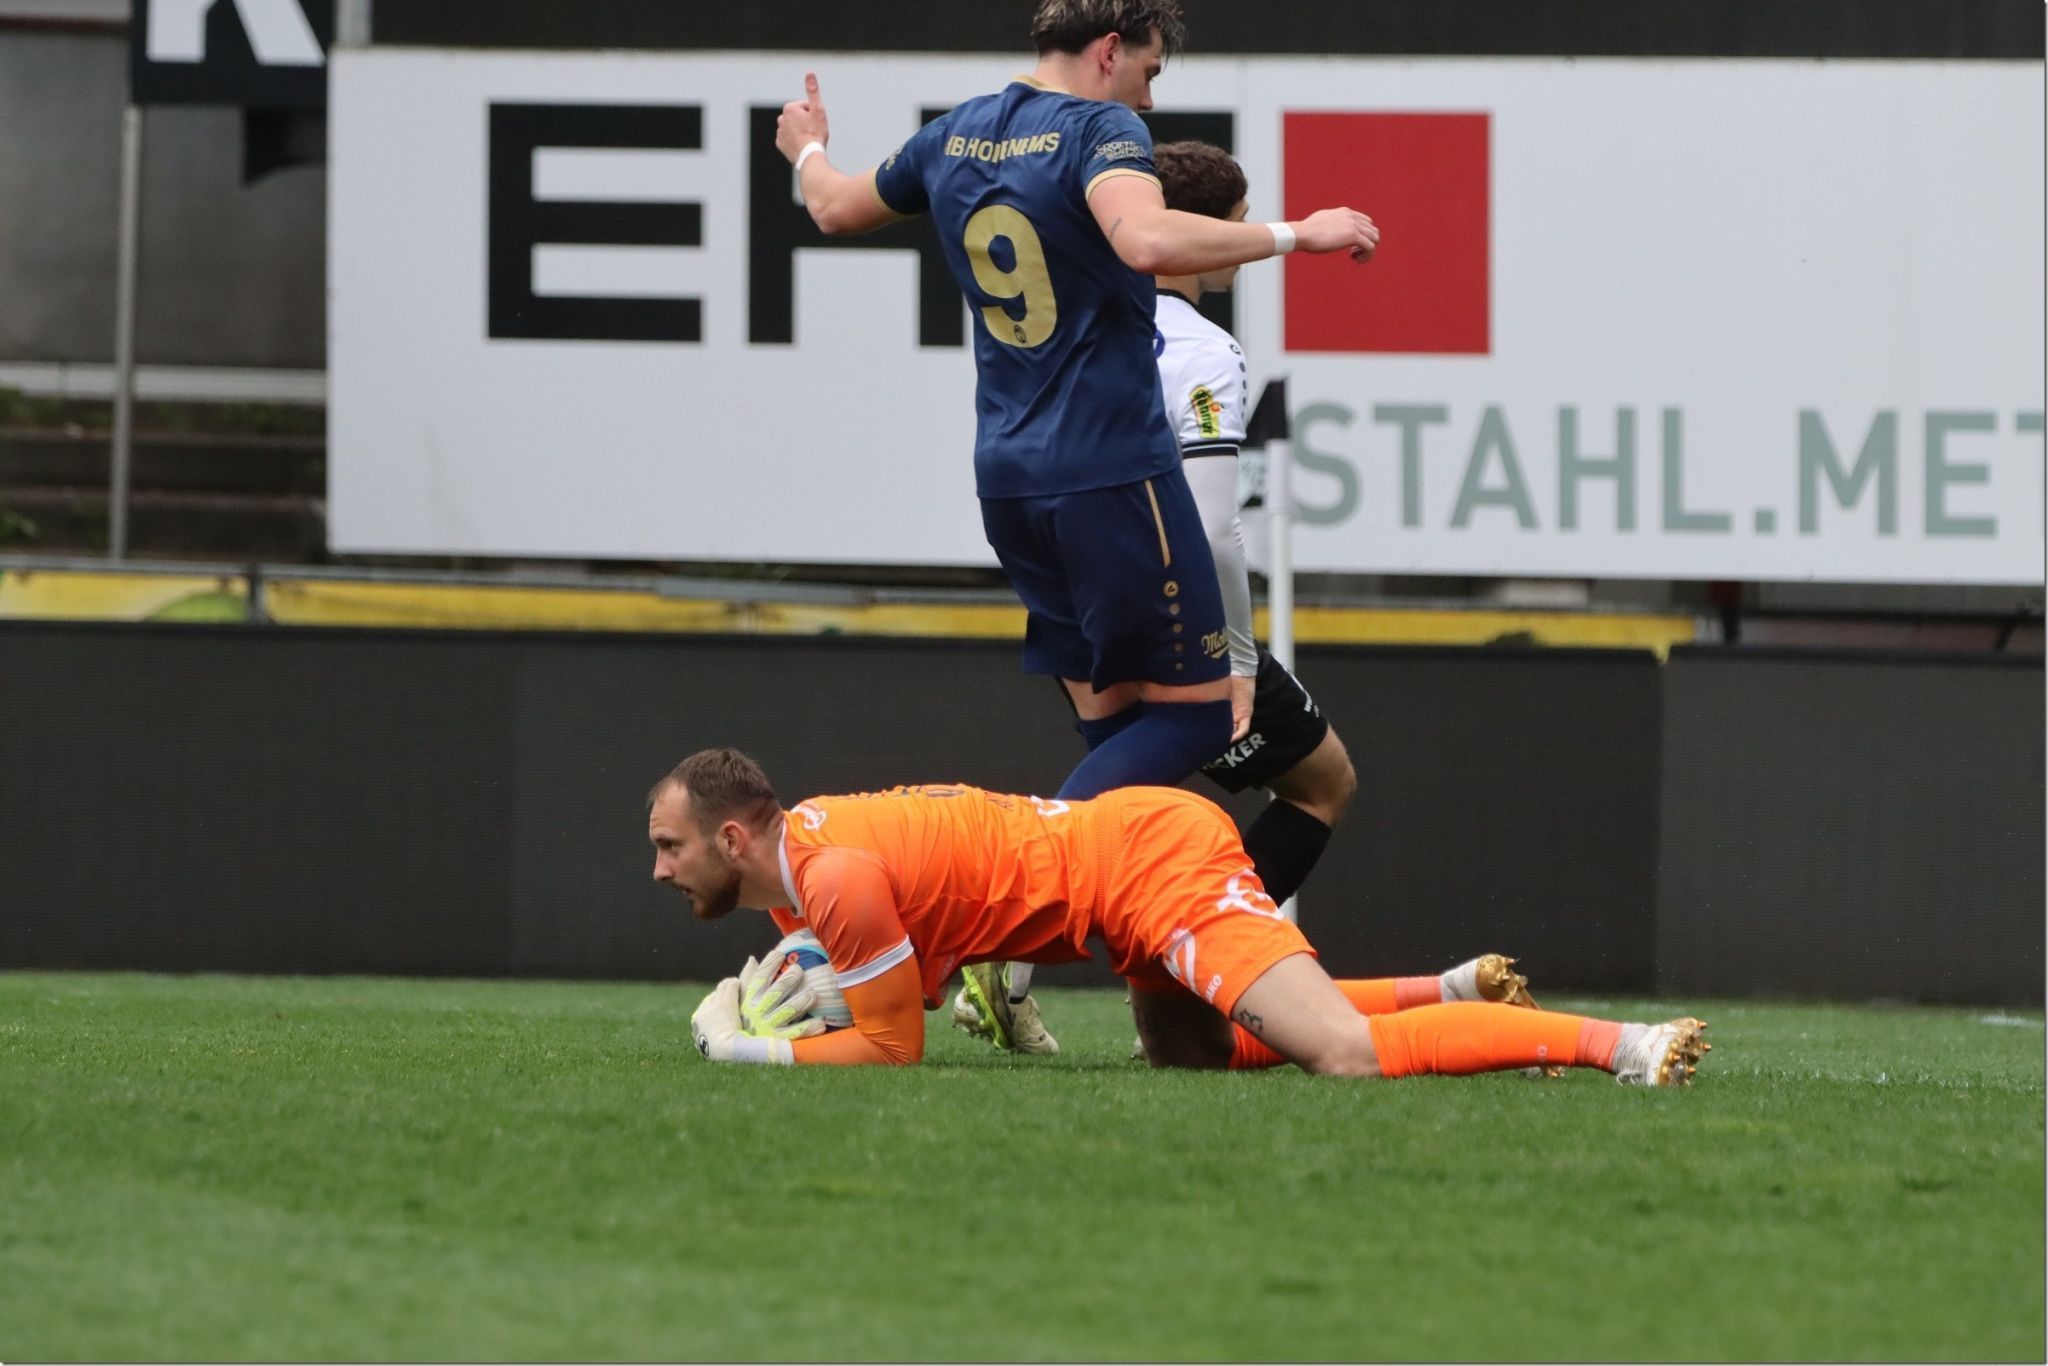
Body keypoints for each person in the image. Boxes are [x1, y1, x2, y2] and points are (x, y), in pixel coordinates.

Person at [771, 1, 1379, 822]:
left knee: (1123, 736)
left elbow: (834, 207)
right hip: (1113, 472)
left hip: (1009, 481)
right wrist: (1297, 234)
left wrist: (807, 144)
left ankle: (1116, 940)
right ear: (1106, 51)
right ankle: (1009, 901)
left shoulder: (955, 132)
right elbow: (1148, 243)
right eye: (1149, 72)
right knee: (1201, 716)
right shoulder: (1102, 131)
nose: (1149, 102)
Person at [954, 140, 1362, 1055]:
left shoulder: (1079, 322)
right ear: (1211, 235)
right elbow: (1214, 529)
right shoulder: (1206, 351)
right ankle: (1161, 968)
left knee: (1125, 803)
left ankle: (1027, 963)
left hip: (1055, 576)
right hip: (1162, 598)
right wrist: (1241, 660)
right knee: (1322, 780)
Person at [653, 748, 1711, 1086]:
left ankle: (1617, 1043)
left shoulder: (829, 876)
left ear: (734, 839)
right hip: (1114, 884)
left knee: (1339, 1055)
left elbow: (891, 1046)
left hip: (1145, 861)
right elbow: (915, 977)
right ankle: (1446, 990)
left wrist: (742, 1048)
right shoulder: (816, 863)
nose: (659, 867)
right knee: (1188, 1053)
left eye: (670, 845)